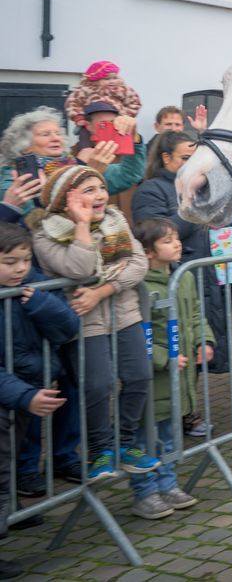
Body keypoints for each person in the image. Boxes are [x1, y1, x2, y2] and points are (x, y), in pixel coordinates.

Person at [27, 165, 161, 483]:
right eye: (88, 190)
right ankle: (99, 451)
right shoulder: (45, 233)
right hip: (84, 321)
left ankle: (124, 444)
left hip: (125, 312)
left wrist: (102, 290)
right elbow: (81, 269)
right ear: (64, 199)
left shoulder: (116, 220)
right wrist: (83, 226)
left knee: (140, 376)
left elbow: (138, 264)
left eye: (100, 187)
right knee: (97, 386)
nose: (100, 195)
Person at [0, 223, 78, 578]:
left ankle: (10, 513)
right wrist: (24, 395)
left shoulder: (36, 284)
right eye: (9, 262)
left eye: (25, 260)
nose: (20, 268)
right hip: (16, 392)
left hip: (26, 391)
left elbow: (69, 326)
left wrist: (42, 304)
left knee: (10, 460)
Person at [132, 219, 212, 518]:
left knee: (169, 433)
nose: (177, 244)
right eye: (167, 241)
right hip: (154, 376)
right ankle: (145, 491)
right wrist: (163, 357)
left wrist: (204, 339)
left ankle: (167, 484)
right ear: (148, 252)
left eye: (176, 238)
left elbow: (195, 313)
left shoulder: (183, 276)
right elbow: (135, 332)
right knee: (146, 436)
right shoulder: (139, 286)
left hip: (180, 374)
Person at [132, 131, 229, 375]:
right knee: (178, 355)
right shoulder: (150, 190)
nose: (192, 164)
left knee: (199, 346)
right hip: (173, 279)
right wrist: (194, 205)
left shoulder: (202, 187)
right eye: (186, 158)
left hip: (204, 276)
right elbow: (155, 234)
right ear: (166, 157)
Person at [0, 108, 147, 216]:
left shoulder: (73, 164)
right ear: (25, 146)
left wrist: (134, 139)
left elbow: (130, 174)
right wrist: (88, 172)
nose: (56, 138)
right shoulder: (16, 178)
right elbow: (35, 220)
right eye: (45, 134)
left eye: (58, 133)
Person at [63, 61, 142, 131]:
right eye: (107, 79)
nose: (112, 82)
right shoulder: (86, 90)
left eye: (114, 78)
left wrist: (126, 116)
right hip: (90, 123)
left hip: (117, 122)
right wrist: (79, 117)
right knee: (85, 135)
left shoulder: (122, 89)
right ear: (96, 80)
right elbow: (73, 103)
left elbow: (134, 102)